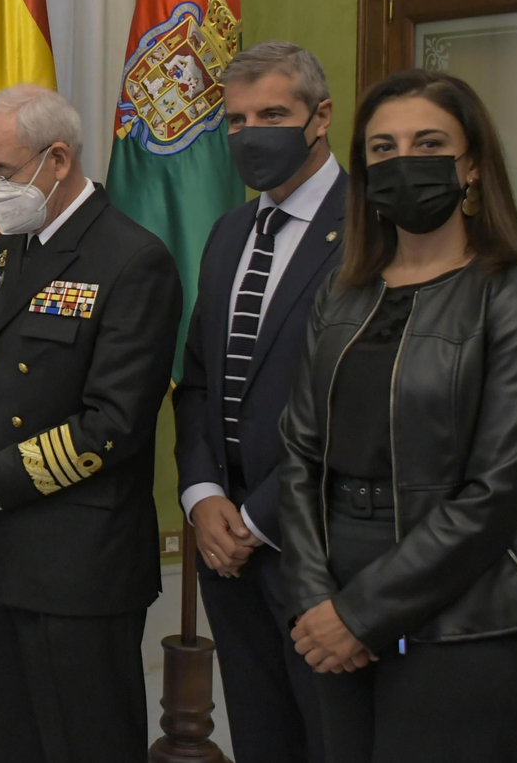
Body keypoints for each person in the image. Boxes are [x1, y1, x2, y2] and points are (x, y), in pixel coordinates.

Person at [278, 69, 517, 763]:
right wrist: (318, 600)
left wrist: (360, 615)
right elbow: (300, 454)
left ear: (470, 166)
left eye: (428, 141)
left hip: (460, 612)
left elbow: (497, 490)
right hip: (332, 595)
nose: (402, 160)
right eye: (381, 148)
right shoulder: (340, 294)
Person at [0, 84, 182, 763]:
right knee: (19, 743)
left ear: (56, 160)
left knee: (85, 744)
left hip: (78, 562)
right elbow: (21, 385)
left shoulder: (131, 258)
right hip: (2, 548)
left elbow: (112, 424)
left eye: (2, 172)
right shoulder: (18, 246)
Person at [173, 41, 342, 763]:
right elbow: (199, 378)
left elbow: (358, 403)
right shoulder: (229, 231)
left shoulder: (373, 231)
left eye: (273, 113)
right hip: (223, 546)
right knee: (260, 732)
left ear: (320, 117)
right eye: (237, 120)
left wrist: (255, 517)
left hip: (322, 545)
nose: (252, 134)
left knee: (332, 737)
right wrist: (203, 493)